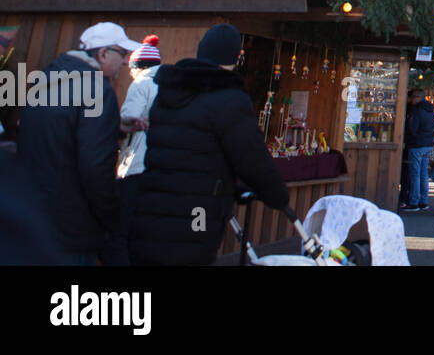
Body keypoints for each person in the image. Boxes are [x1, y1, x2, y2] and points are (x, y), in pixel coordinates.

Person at [130, 24, 289, 265]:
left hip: (152, 206)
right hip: (197, 211)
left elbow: (186, 149)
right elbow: (252, 159)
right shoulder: (228, 100)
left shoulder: (168, 91)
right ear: (234, 59)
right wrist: (277, 195)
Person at [19, 21, 141, 264]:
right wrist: (112, 217)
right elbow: (95, 167)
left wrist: (114, 127)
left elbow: (57, 133)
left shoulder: (47, 80)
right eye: (123, 53)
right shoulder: (97, 89)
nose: (126, 61)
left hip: (33, 215)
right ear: (103, 54)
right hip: (72, 226)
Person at [114, 34, 163, 262]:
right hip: (162, 168)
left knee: (121, 231)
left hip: (136, 164)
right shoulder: (169, 84)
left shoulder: (141, 83)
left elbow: (128, 119)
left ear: (137, 66)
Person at [402, 87, 434, 211]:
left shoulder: (416, 112)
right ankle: (424, 201)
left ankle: (414, 202)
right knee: (424, 174)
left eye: (413, 97)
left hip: (416, 145)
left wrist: (409, 137)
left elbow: (412, 129)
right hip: (428, 144)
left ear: (417, 98)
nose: (411, 100)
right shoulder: (431, 111)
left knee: (415, 175)